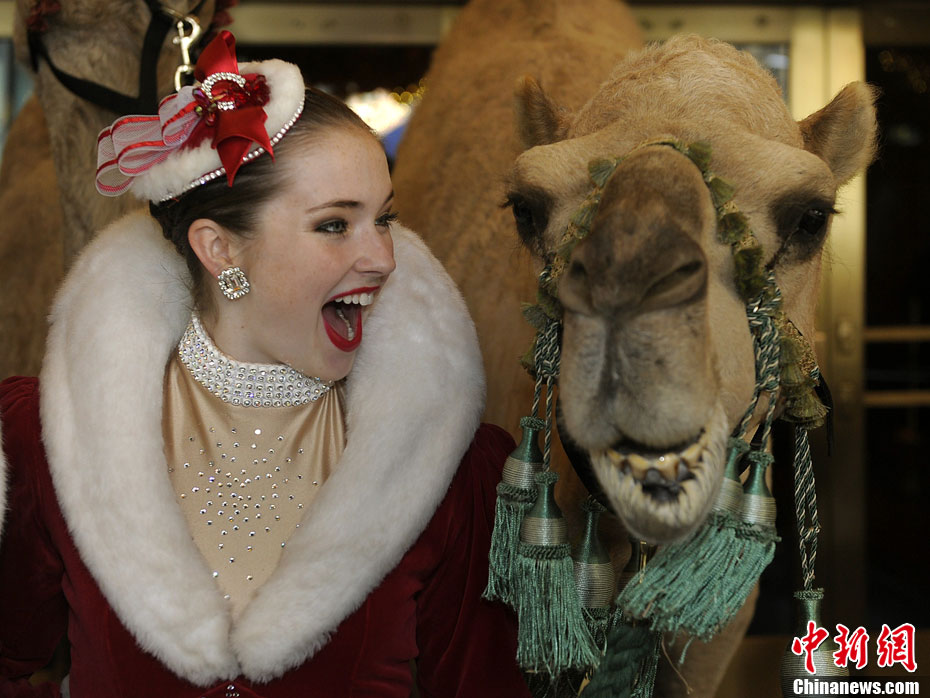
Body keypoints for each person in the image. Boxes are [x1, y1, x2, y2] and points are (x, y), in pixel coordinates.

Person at [0, 32, 530, 697]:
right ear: (220, 250)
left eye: (384, 220)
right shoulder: (49, 443)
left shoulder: (446, 466)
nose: (384, 259)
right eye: (335, 225)